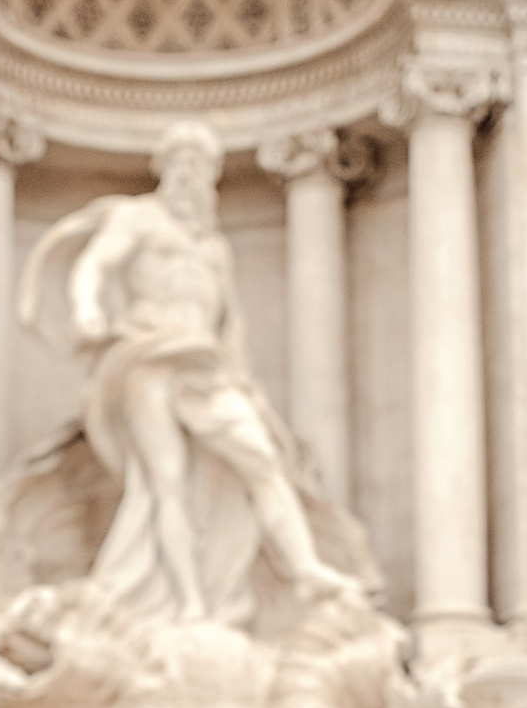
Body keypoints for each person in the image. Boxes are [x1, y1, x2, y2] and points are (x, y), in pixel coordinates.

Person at [18, 120, 360, 628]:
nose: (190, 176)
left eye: (200, 167)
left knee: (262, 460)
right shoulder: (138, 218)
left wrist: (243, 381)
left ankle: (305, 569)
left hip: (207, 365)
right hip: (148, 355)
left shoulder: (214, 248)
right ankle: (190, 604)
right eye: (181, 164)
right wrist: (87, 308)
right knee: (166, 481)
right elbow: (94, 264)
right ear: (165, 169)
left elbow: (230, 324)